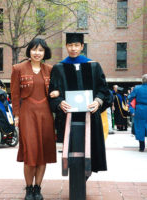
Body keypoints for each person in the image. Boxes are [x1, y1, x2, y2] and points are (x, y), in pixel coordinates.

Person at [49, 33, 111, 176]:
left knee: (91, 152)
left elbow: (104, 91)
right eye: (70, 45)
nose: (73, 48)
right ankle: (76, 180)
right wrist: (59, 102)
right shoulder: (59, 68)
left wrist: (98, 101)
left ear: (82, 47)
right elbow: (52, 93)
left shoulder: (94, 66)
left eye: (76, 45)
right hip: (68, 118)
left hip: (90, 117)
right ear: (66, 46)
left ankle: (84, 178)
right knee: (72, 155)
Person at [10, 38, 57, 200]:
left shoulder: (50, 69)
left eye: (41, 50)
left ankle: (38, 188)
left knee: (42, 152)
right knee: (31, 152)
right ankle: (28, 189)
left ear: (45, 53)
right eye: (34, 49)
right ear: (29, 51)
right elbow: (15, 95)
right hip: (27, 113)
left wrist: (58, 93)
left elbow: (58, 88)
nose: (37, 53)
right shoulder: (18, 69)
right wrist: (16, 115)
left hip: (45, 114)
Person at [128, 74, 147, 153]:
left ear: (142, 80)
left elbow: (130, 98)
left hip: (139, 108)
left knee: (139, 126)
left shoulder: (137, 88)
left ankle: (141, 147)